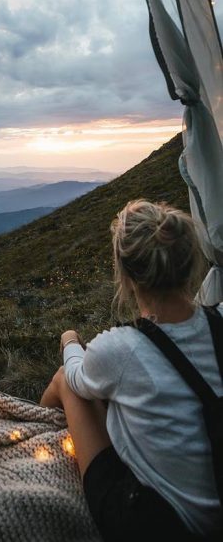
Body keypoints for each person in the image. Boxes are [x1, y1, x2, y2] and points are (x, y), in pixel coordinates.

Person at [40, 200, 222, 541]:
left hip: (157, 523)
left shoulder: (123, 349)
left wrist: (69, 340)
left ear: (127, 275)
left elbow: (76, 378)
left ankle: (37, 429)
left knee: (66, 380)